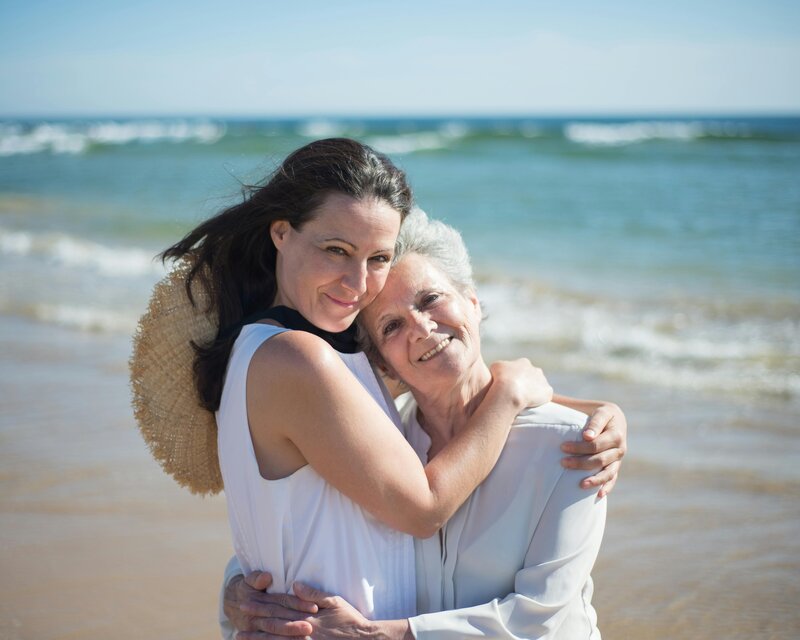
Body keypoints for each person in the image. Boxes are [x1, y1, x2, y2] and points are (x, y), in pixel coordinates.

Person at [147, 137, 561, 625]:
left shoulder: (288, 351)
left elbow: (451, 394)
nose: (358, 283)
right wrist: (508, 394)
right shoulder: (297, 359)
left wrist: (593, 414)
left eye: (378, 258)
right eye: (336, 250)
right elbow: (423, 509)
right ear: (281, 233)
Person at [221, 209, 624, 639]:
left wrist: (383, 635)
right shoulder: (385, 444)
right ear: (382, 364)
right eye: (391, 326)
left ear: (472, 302)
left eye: (430, 299)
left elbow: (537, 618)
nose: (421, 327)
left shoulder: (572, 445)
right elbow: (300, 525)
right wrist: (240, 591)